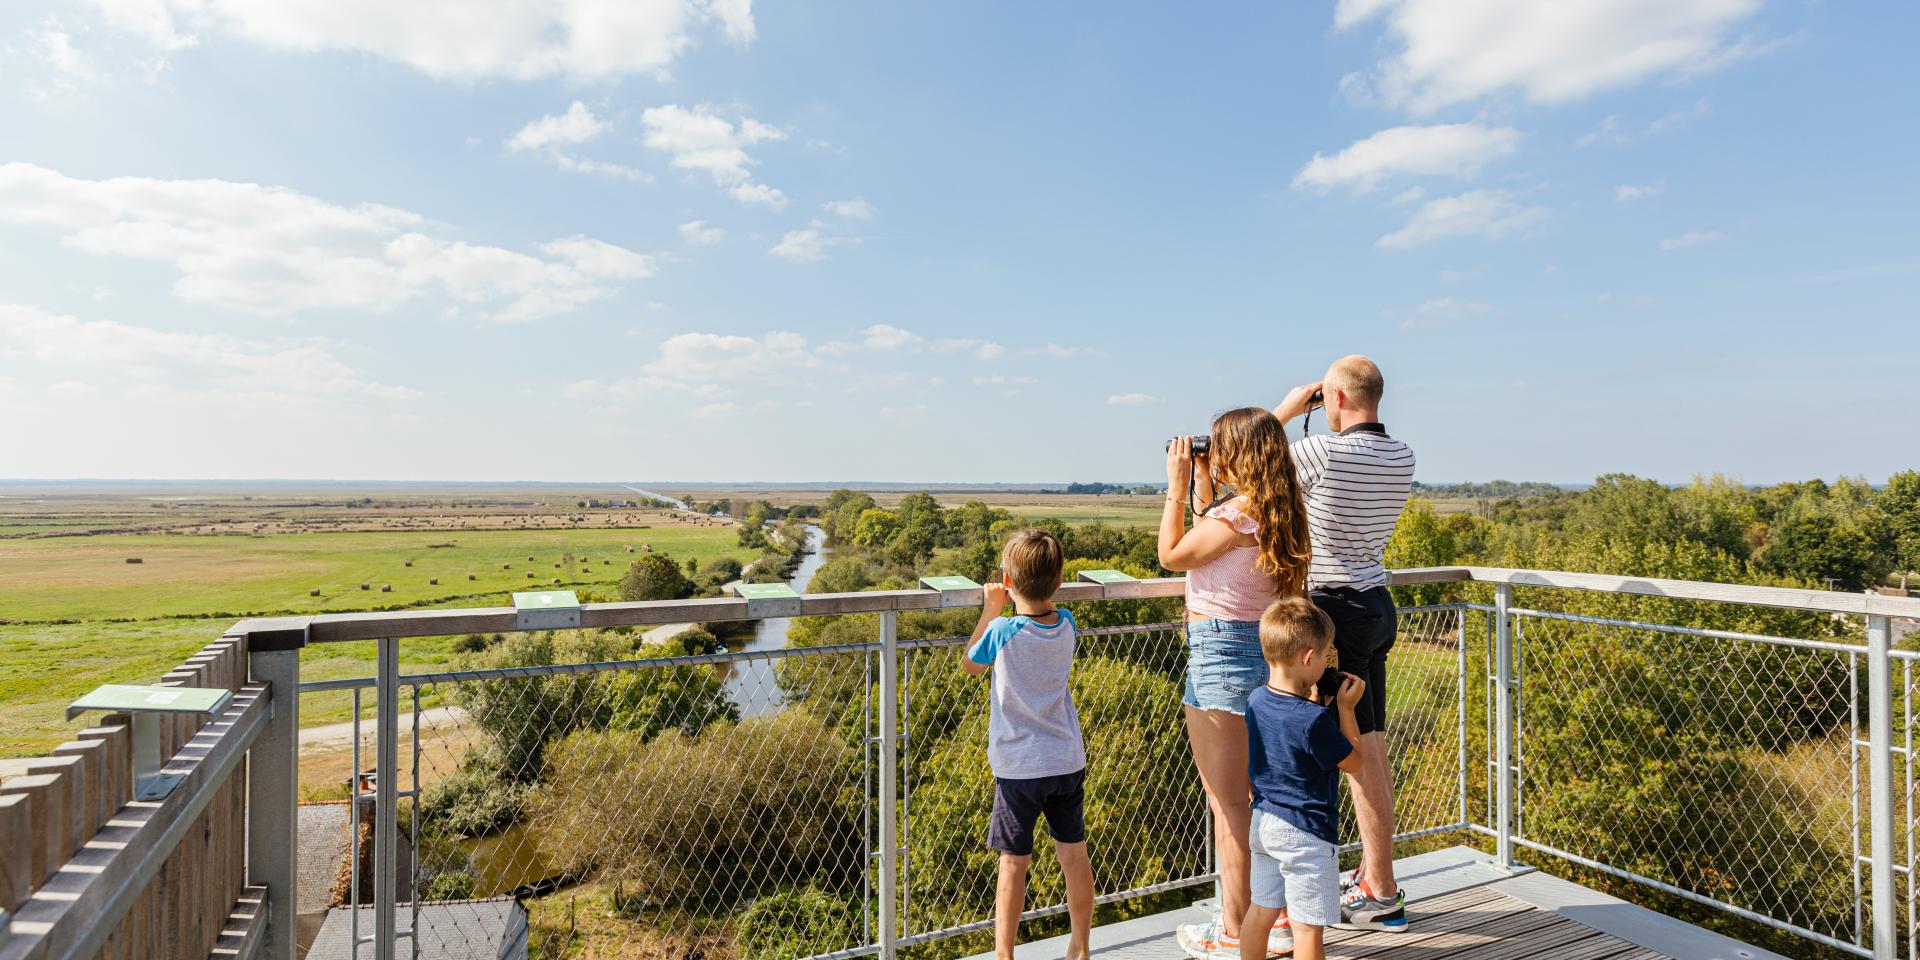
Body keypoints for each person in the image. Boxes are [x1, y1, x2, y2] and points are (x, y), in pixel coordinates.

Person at [1159, 407, 1314, 959]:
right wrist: (1205, 485)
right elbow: (1217, 536)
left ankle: (1235, 930)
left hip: (1222, 653)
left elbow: (1173, 554)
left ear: (1240, 455)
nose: (1213, 455)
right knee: (1264, 796)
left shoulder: (1238, 514)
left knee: (1229, 804)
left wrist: (1176, 489)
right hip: (1266, 653)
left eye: (1220, 448)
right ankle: (1274, 920)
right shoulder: (1278, 509)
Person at [1272, 355, 1416, 932]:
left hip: (1329, 614)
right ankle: (1381, 886)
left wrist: (1286, 409)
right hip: (1376, 606)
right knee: (1370, 744)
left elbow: (1249, 466)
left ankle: (1305, 899)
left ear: (1332, 397)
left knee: (1331, 754)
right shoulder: (1403, 455)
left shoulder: (1321, 452)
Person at [963, 528, 1095, 960]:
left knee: (1013, 863)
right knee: (1073, 855)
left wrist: (990, 609)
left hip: (1020, 767)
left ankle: (1004, 953)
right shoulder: (1067, 624)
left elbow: (971, 665)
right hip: (1065, 759)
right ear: (1058, 582)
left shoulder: (1003, 629)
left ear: (1006, 580)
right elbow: (1047, 609)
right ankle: (1080, 945)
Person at [1240, 597, 1367, 960]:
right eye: (1327, 654)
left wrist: (1313, 703)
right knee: (1306, 926)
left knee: (1261, 911)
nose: (1329, 661)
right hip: (1306, 833)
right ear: (1308, 658)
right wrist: (1345, 709)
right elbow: (1355, 762)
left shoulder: (1256, 700)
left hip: (1264, 823)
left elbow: (1283, 735)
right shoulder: (1314, 722)